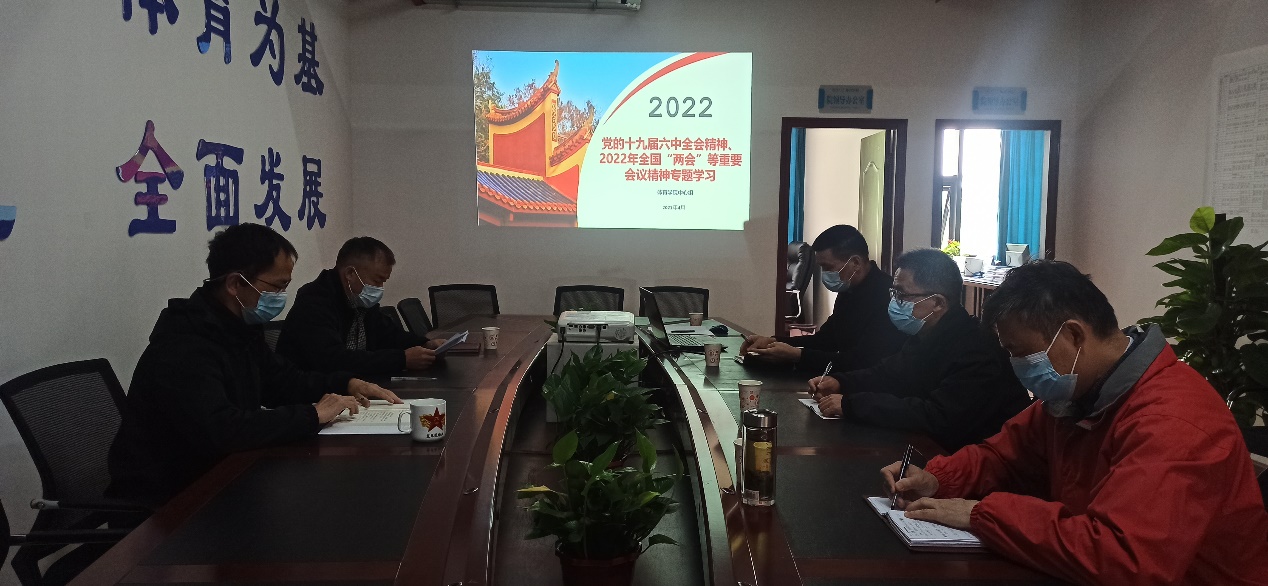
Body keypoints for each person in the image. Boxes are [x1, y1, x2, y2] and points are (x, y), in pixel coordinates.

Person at [882, 261, 1268, 585]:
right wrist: (938, 478)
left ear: (1073, 335)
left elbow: (1124, 558)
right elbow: (1003, 455)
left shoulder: (1172, 421)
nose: (1017, 367)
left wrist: (981, 514)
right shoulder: (1079, 393)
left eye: (1021, 353)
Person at [107, 224, 401, 508]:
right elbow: (223, 430)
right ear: (235, 284)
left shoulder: (238, 328)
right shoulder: (184, 345)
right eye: (277, 286)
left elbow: (283, 381)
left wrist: (346, 383)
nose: (281, 297)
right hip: (169, 503)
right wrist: (312, 415)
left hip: (226, 478)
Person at [810, 249, 1030, 451]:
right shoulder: (927, 332)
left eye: (902, 294)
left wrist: (852, 405)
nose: (894, 302)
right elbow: (888, 374)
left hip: (977, 461)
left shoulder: (977, 349)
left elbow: (936, 416)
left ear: (938, 303)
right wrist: (841, 382)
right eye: (893, 292)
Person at [740, 225, 906, 374]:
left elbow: (863, 361)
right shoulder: (849, 289)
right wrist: (773, 341)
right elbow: (826, 339)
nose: (825, 275)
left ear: (855, 262)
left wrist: (798, 355)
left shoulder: (888, 297)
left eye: (828, 268)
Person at [278, 237, 438, 375]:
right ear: (350, 274)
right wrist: (401, 359)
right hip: (314, 392)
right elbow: (333, 360)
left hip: (352, 384)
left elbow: (388, 334)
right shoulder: (314, 301)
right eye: (377, 281)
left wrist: (424, 344)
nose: (379, 288)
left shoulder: (358, 298)